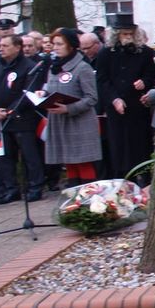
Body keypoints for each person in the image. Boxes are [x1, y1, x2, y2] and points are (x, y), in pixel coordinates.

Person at [94, 17, 155, 183]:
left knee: (141, 146)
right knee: (119, 148)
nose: (128, 37)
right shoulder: (105, 53)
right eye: (124, 34)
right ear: (117, 34)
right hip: (116, 108)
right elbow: (102, 81)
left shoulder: (144, 52)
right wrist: (114, 99)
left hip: (138, 106)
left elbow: (151, 74)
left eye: (131, 33)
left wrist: (144, 81)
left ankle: (145, 180)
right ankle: (122, 182)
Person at [0, 33, 48, 202]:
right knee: (5, 156)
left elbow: (28, 92)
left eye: (5, 46)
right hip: (0, 119)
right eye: (0, 46)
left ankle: (35, 187)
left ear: (17, 47)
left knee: (29, 155)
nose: (1, 49)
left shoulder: (29, 67)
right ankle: (11, 188)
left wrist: (10, 110)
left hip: (22, 119)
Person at [40, 28, 102, 188]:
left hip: (79, 122)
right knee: (69, 162)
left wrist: (69, 108)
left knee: (82, 161)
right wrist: (43, 94)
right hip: (60, 122)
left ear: (71, 45)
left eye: (60, 44)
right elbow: (52, 89)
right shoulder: (54, 68)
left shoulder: (82, 68)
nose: (55, 47)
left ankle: (89, 196)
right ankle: (74, 196)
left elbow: (91, 98)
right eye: (54, 44)